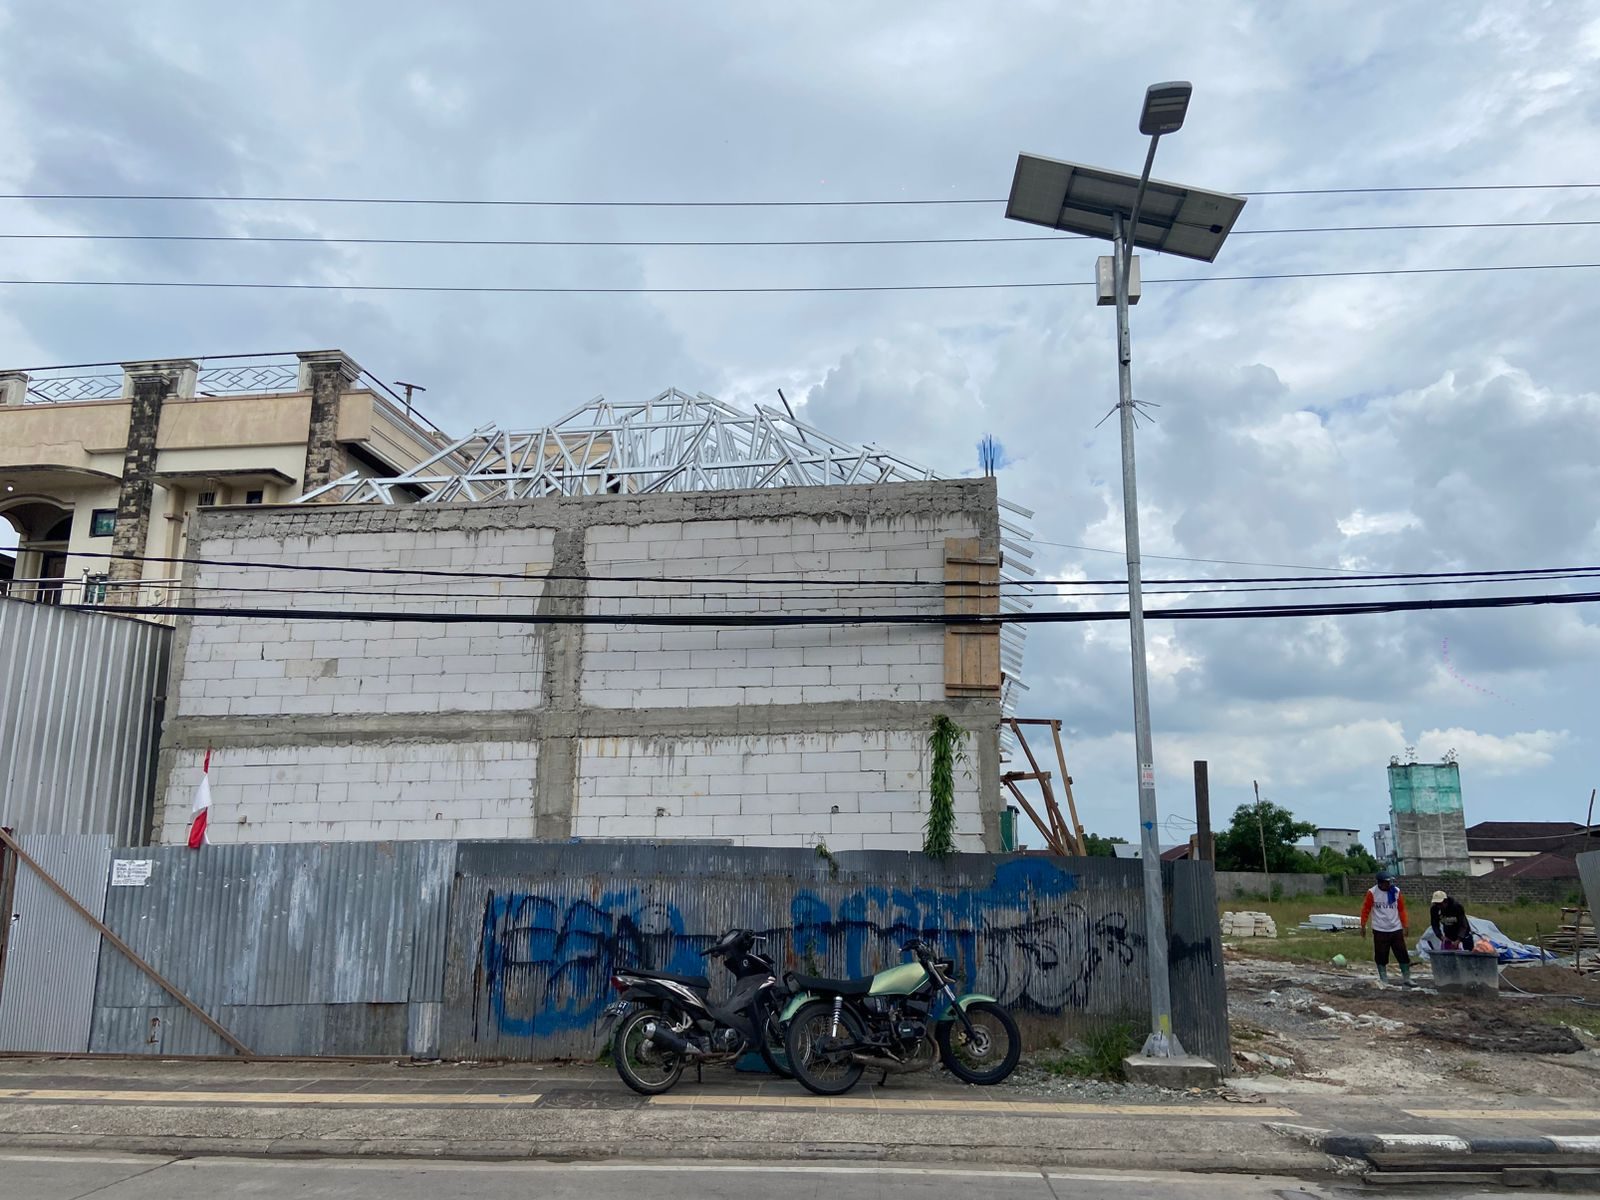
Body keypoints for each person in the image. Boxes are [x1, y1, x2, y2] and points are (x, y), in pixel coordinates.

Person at [1359, 870, 1413, 986]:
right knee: (1381, 954)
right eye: (1387, 882)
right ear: (1380, 883)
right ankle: (1384, 979)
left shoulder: (1396, 891)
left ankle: (1407, 978)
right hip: (1380, 929)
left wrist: (1405, 925)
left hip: (1396, 928)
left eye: (1390, 882)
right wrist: (1363, 925)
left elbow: (1401, 909)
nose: (1389, 884)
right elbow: (1366, 909)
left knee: (1402, 953)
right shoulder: (1372, 892)